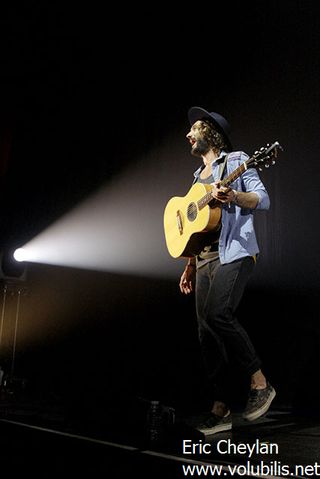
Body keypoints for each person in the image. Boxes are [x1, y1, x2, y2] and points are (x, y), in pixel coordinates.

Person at [179, 106, 276, 435]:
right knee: (206, 333)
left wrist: (234, 194)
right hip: (204, 258)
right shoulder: (195, 180)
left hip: (234, 252)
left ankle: (260, 382)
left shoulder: (237, 160)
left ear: (210, 132)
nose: (188, 135)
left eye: (194, 129)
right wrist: (190, 265)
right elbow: (197, 229)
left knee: (219, 313)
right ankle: (220, 408)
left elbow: (262, 199)